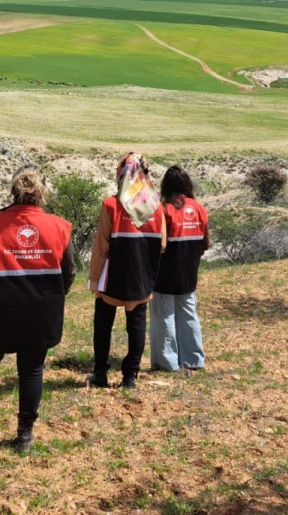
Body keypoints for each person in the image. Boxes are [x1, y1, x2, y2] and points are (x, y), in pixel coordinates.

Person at [0, 165, 76, 452]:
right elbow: (69, 271)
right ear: (41, 195)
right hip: (41, 310)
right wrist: (55, 296)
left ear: (14, 192)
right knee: (31, 370)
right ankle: (25, 433)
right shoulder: (60, 226)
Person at [88, 153, 165, 389]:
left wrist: (93, 277)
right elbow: (162, 244)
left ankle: (100, 373)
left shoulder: (110, 205)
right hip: (142, 275)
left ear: (122, 174)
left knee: (103, 324)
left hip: (112, 277)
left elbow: (101, 246)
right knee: (137, 325)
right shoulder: (155, 207)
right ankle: (130, 376)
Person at [150, 166, 210, 373]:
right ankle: (193, 359)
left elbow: (158, 243)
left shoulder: (163, 208)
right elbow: (206, 242)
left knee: (163, 315)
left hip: (164, 273)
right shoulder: (199, 208)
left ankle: (166, 362)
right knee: (189, 313)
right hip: (189, 271)